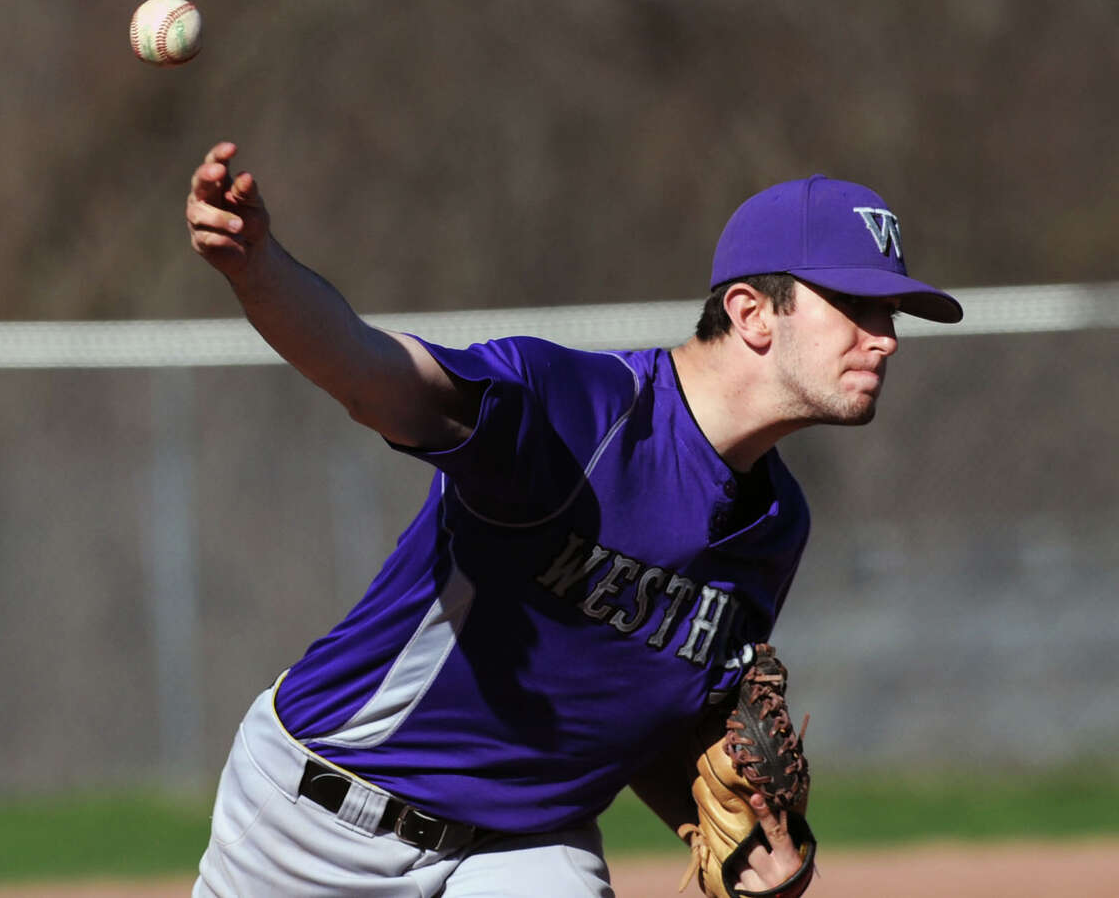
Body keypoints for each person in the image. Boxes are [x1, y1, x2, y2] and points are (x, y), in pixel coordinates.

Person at [184, 141, 962, 897]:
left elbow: (648, 721)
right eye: (855, 305)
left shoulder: (776, 526)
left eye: (889, 311)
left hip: (525, 847)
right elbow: (374, 377)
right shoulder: (577, 414)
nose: (885, 338)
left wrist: (750, 838)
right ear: (752, 312)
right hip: (324, 817)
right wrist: (260, 272)